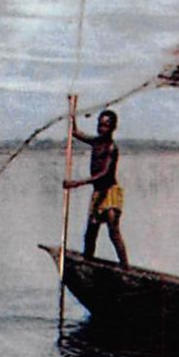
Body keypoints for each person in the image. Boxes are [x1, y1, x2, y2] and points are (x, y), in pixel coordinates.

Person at [63, 108, 130, 268]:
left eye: (106, 125)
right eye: (100, 125)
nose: (102, 128)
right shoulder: (96, 142)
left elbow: (104, 174)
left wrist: (77, 183)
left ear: (113, 128)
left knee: (113, 231)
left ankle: (125, 269)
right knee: (90, 232)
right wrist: (72, 112)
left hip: (110, 192)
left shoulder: (111, 148)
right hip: (98, 193)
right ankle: (88, 265)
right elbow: (75, 133)